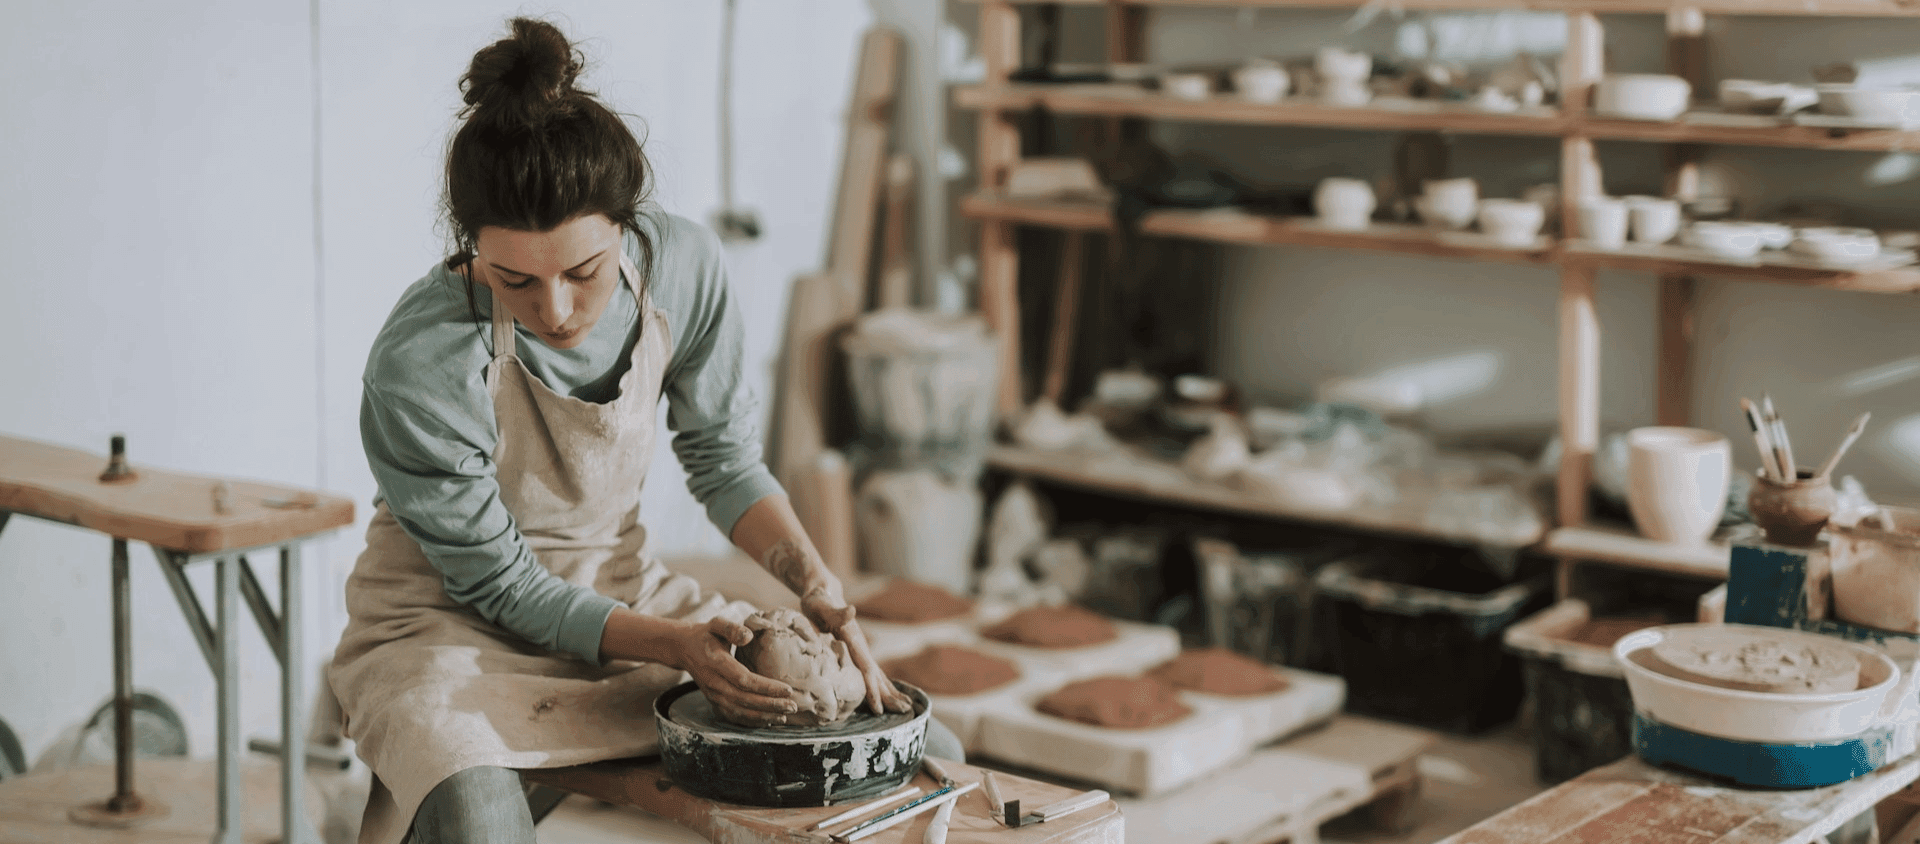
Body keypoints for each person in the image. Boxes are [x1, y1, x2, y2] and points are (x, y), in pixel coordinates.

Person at [328, 18, 960, 844]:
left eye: (582, 273)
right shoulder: (422, 361)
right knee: (480, 822)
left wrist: (815, 582)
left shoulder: (683, 272)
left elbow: (724, 460)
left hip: (620, 588)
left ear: (626, 228)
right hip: (446, 627)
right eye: (512, 278)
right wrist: (677, 647)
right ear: (470, 249)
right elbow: (501, 587)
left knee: (924, 752)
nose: (553, 311)